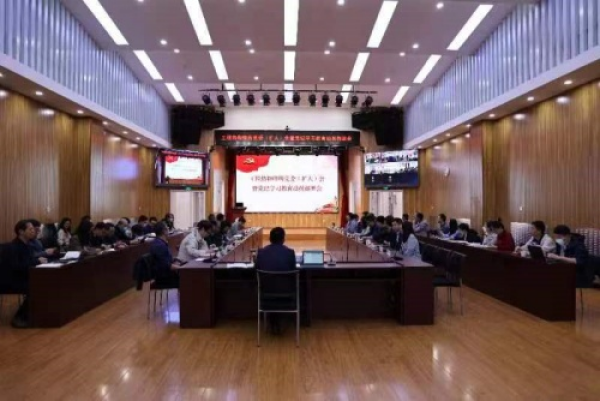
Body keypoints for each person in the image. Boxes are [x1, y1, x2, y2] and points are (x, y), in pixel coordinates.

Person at [6, 220, 48, 328]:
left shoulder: (28, 245)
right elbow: (17, 267)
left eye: (33, 229)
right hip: (13, 280)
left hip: (25, 276)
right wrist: (37, 261)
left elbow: (29, 261)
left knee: (46, 282)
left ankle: (35, 314)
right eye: (30, 229)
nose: (33, 231)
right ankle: (19, 317)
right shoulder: (14, 247)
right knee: (36, 287)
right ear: (21, 231)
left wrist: (38, 260)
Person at [255, 227, 296, 335]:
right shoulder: (290, 253)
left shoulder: (261, 253)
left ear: (269, 238)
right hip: (287, 293)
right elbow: (292, 271)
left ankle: (272, 318)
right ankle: (294, 319)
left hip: (265, 293)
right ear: (283, 239)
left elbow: (256, 268)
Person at [150, 222, 180, 287]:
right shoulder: (159, 246)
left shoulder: (160, 242)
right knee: (188, 280)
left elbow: (167, 260)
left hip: (166, 275)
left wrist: (176, 262)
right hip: (165, 278)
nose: (169, 230)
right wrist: (183, 268)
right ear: (164, 231)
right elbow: (167, 266)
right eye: (168, 228)